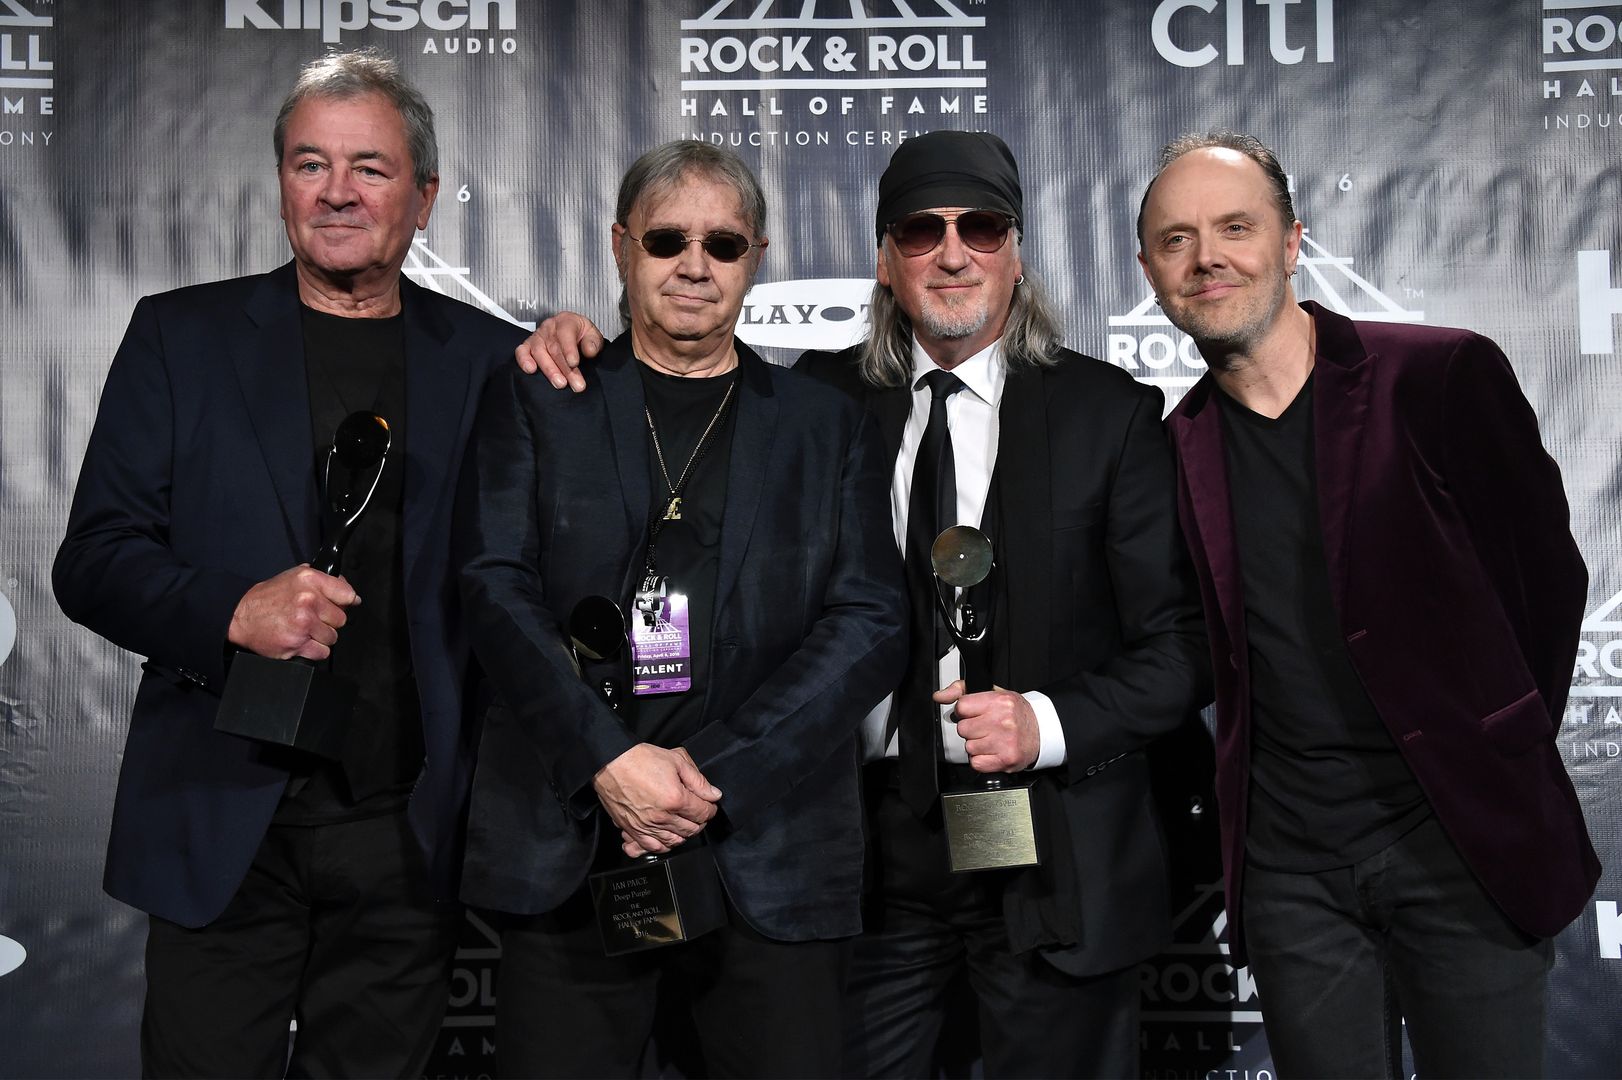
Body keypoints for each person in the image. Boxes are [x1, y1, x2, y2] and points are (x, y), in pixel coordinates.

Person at [515, 131, 1210, 1079]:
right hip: (860, 854)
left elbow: (1180, 649)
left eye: (983, 228)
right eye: (922, 231)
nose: (954, 253)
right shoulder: (817, 399)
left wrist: (1045, 722)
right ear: (884, 259)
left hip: (1053, 845)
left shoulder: (1111, 412)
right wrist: (577, 340)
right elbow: (675, 379)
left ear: (1017, 250)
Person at [52, 50, 526, 1077]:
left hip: (405, 828)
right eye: (310, 164)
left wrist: (579, 344)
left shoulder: (493, 362)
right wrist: (230, 610)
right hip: (225, 816)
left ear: (425, 194)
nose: (338, 192)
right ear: (281, 183)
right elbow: (91, 560)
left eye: (369, 166)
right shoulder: (182, 336)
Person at [1135, 131, 1601, 1078]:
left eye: (1235, 227)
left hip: (1462, 845)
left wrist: (1495, 749)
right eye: (1176, 240)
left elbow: (1545, 585)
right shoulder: (1170, 446)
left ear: (1294, 239)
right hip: (1292, 874)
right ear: (1150, 270)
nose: (1207, 257)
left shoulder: (1438, 376)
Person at [454, 140, 906, 1079]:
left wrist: (709, 774)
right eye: (667, 240)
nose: (695, 266)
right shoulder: (545, 396)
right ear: (621, 247)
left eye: (723, 244)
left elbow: (870, 624)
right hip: (577, 848)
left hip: (770, 854)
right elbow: (493, 588)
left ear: (758, 258)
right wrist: (607, 761)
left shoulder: (827, 423)